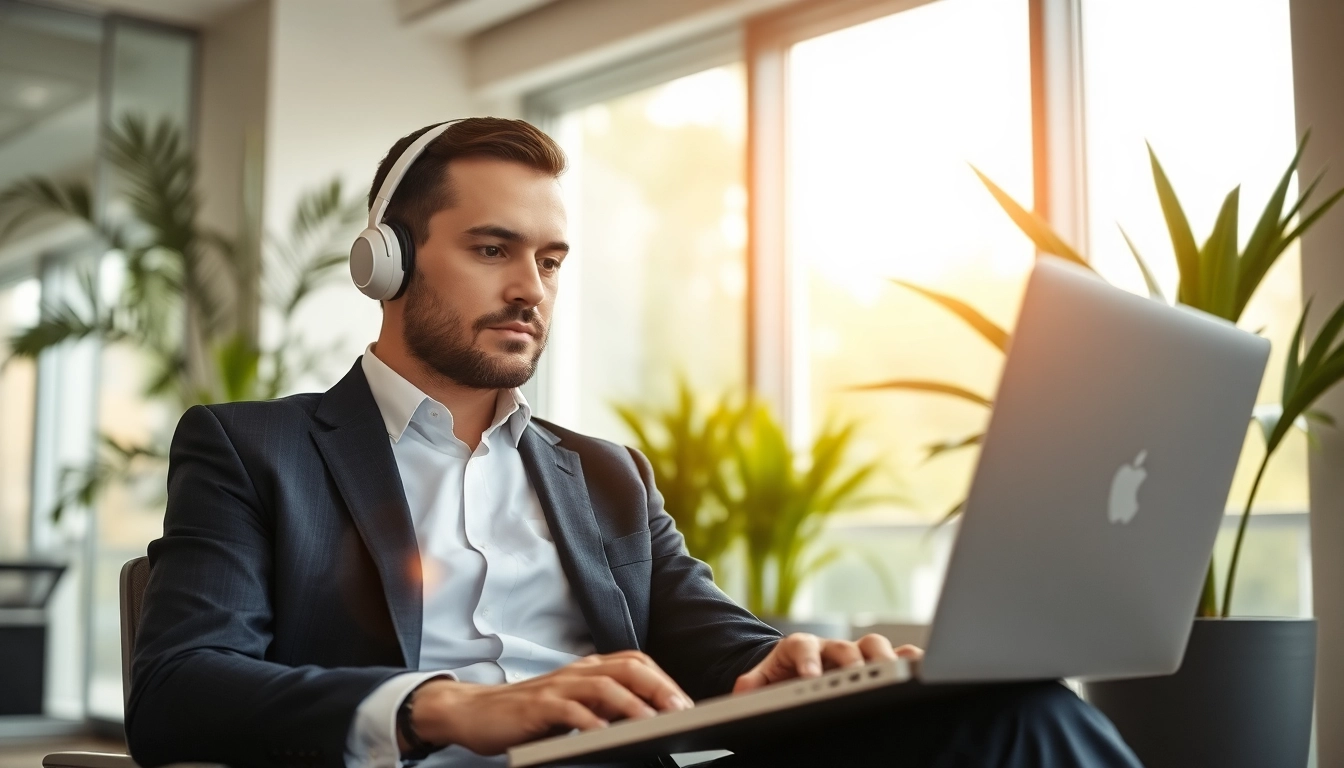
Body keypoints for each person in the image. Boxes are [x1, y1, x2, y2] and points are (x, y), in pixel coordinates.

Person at [125, 117, 1141, 768]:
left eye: (552, 259)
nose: (532, 287)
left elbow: (722, 644)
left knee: (1027, 716)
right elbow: (180, 686)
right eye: (492, 250)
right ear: (385, 265)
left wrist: (795, 665)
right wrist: (444, 707)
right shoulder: (252, 448)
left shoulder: (602, 473)